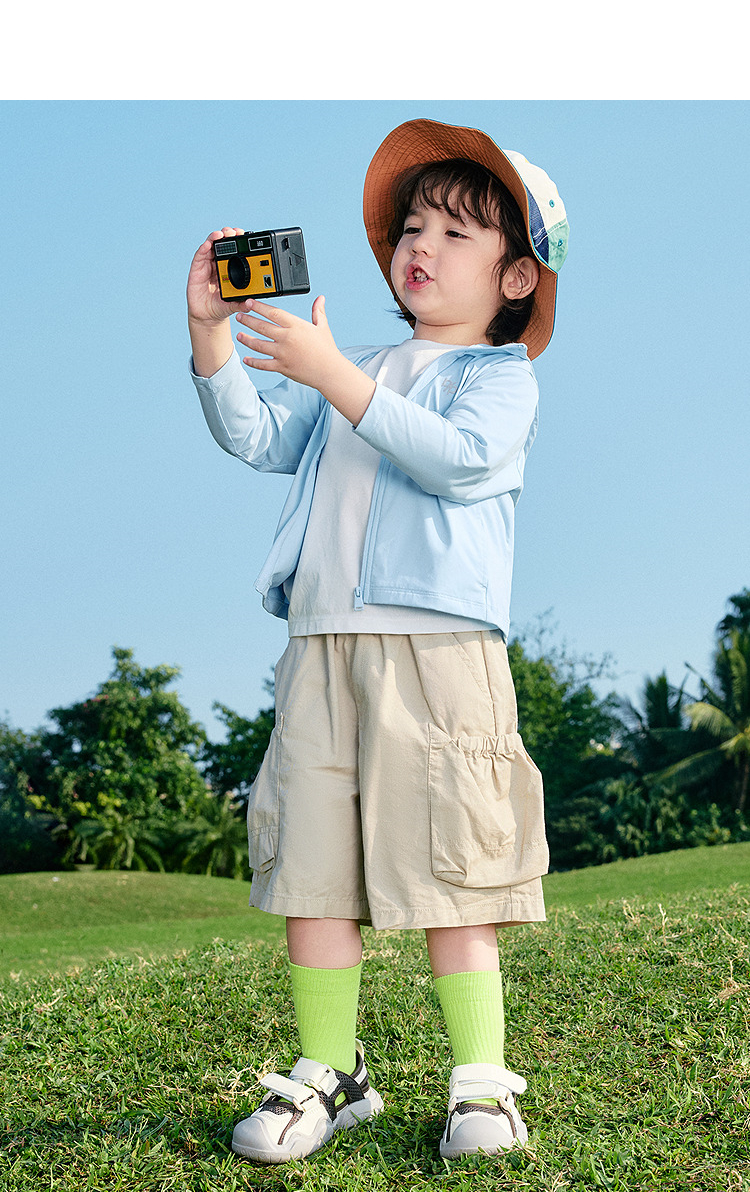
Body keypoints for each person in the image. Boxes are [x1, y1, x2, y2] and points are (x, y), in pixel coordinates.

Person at [186, 117, 569, 1164]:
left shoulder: (499, 377)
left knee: (457, 864)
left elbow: (455, 458)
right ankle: (331, 1069)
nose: (421, 245)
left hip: (437, 656)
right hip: (321, 646)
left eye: (455, 232)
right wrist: (211, 336)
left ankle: (482, 1085)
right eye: (412, 227)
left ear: (518, 277)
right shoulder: (352, 364)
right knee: (313, 864)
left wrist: (333, 377)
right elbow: (256, 435)